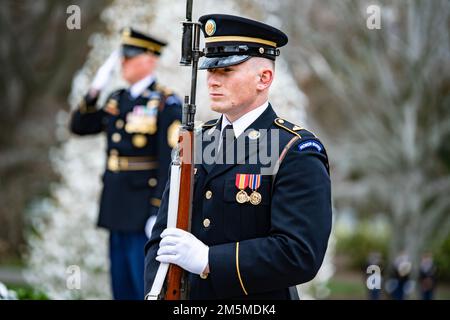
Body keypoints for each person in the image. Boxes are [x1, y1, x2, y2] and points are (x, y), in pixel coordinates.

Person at [144, 14, 332, 299]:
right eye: (210, 71)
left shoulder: (292, 149)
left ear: (264, 78)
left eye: (226, 71)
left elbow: (299, 253)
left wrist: (210, 260)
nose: (212, 81)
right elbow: (161, 240)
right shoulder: (196, 141)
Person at [70, 27, 182, 300]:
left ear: (149, 59)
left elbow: (170, 160)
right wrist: (95, 89)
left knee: (141, 284)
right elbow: (79, 126)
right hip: (115, 203)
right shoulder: (116, 99)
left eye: (129, 57)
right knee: (119, 285)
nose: (122, 63)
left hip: (143, 207)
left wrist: (158, 210)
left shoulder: (166, 103)